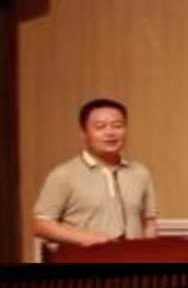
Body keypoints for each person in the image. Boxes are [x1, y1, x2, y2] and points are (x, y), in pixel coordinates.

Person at [31, 99, 159, 255]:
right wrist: (87, 239)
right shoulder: (64, 174)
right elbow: (41, 225)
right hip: (83, 259)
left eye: (117, 125)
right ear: (84, 134)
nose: (110, 132)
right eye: (100, 127)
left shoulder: (140, 172)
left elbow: (149, 222)